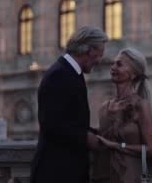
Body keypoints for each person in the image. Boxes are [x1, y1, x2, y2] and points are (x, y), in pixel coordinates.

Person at [31, 26, 108, 183]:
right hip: (56, 172)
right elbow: (51, 124)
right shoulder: (59, 74)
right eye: (98, 54)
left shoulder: (70, 73)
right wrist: (86, 137)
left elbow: (69, 120)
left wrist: (95, 132)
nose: (99, 60)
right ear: (87, 50)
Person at [92, 48, 152, 183]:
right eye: (113, 63)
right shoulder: (104, 107)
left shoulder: (140, 105)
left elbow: (151, 149)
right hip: (103, 175)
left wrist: (117, 145)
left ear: (133, 74)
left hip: (129, 177)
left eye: (119, 64)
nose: (113, 67)